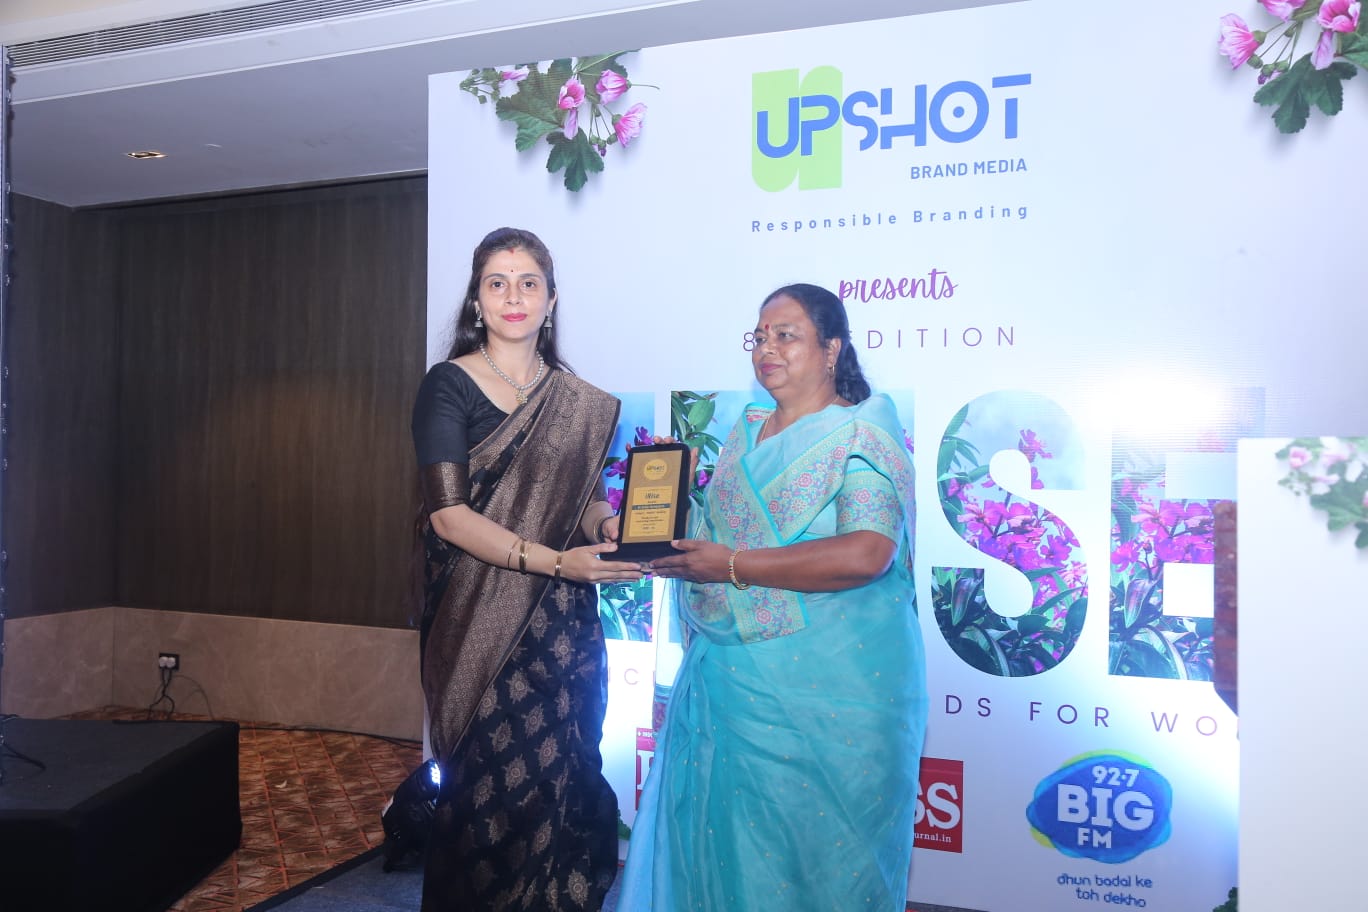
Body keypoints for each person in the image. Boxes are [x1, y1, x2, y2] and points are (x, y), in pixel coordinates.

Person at [618, 283, 927, 911]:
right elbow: (718, 536)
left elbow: (868, 552)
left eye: (786, 335)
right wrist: (639, 530)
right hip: (729, 684)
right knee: (721, 850)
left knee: (817, 865)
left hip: (832, 689)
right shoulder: (748, 430)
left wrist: (732, 567)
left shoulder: (862, 431)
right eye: (759, 337)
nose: (767, 349)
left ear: (831, 348)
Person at [411, 227, 645, 911]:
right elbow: (449, 516)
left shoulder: (574, 399)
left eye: (528, 283)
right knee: (487, 795)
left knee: (565, 781)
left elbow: (583, 502)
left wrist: (606, 527)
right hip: (475, 624)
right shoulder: (448, 386)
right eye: (497, 282)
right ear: (477, 301)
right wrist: (555, 562)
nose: (513, 296)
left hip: (562, 628)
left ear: (551, 300)